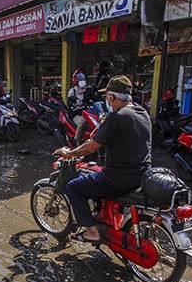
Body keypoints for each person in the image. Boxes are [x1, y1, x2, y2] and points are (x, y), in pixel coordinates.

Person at [53, 76, 151, 244]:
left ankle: (92, 232)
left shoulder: (117, 116)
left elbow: (92, 146)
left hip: (118, 180)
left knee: (73, 187)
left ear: (111, 97)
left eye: (108, 97)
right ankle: (103, 216)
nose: (108, 101)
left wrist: (70, 154)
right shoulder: (143, 113)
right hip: (142, 175)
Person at [67, 71, 98, 146]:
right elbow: (70, 103)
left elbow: (96, 99)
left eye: (83, 80)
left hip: (88, 112)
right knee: (82, 122)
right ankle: (77, 143)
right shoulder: (72, 91)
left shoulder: (88, 90)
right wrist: (74, 106)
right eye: (81, 81)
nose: (83, 82)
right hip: (77, 113)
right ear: (76, 81)